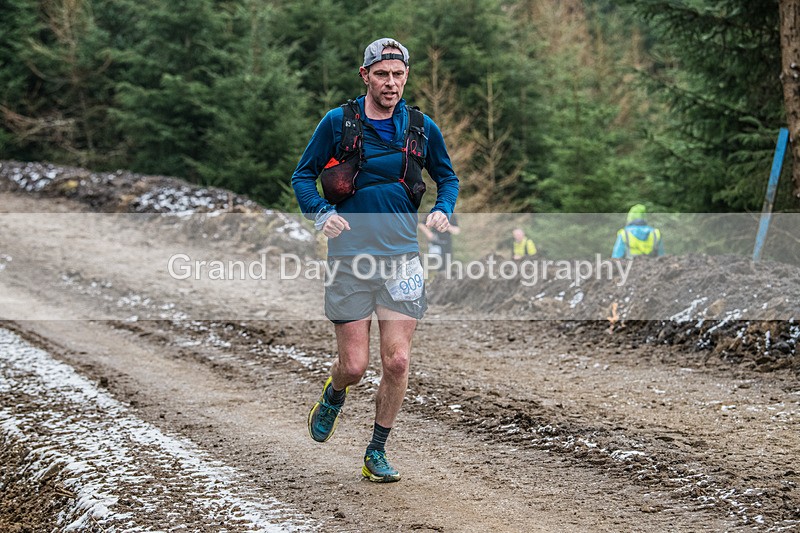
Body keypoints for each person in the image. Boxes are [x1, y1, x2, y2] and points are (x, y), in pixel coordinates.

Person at [291, 38, 459, 483]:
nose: (391, 83)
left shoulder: (422, 127)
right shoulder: (338, 122)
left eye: (398, 75)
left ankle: (376, 451)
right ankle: (333, 394)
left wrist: (444, 208)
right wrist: (321, 213)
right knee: (354, 366)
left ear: (406, 76)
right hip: (350, 261)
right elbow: (303, 175)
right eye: (382, 74)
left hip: (403, 259)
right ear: (365, 75)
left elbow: (447, 177)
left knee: (398, 361)